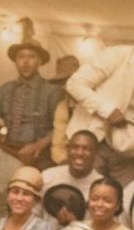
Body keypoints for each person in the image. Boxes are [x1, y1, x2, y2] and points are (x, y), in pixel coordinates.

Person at [0, 34, 61, 168]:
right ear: (15, 61)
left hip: (40, 154)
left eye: (31, 57)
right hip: (7, 151)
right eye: (21, 57)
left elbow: (60, 128)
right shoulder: (4, 90)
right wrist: (1, 138)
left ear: (39, 61)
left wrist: (39, 145)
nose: (25, 61)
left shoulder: (52, 91)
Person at [66, 45, 134, 185]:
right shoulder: (116, 55)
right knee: (84, 195)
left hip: (126, 151)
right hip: (92, 141)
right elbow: (75, 84)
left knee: (126, 200)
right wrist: (108, 111)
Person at [40, 129, 102, 202]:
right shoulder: (47, 176)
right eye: (75, 147)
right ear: (68, 150)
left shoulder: (101, 187)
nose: (79, 153)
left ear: (95, 153)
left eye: (86, 149)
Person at [49, 55, 81, 165]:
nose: (64, 86)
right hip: (73, 160)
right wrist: (63, 162)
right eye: (61, 82)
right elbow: (58, 144)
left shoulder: (98, 100)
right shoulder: (63, 107)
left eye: (67, 80)